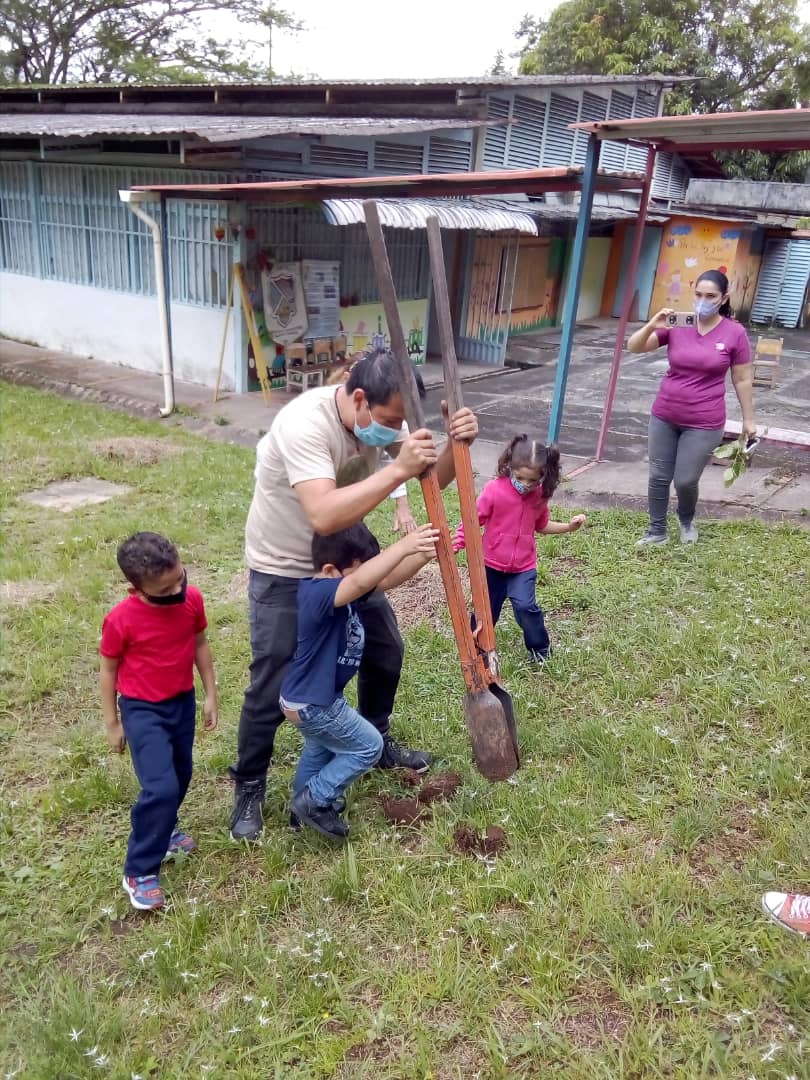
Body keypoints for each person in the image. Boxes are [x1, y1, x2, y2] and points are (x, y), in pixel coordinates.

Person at [231, 346, 479, 842]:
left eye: (400, 424)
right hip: (286, 569)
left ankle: (375, 736)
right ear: (359, 399)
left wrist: (455, 444)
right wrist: (395, 470)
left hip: (347, 564)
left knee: (385, 648)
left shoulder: (385, 419)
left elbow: (433, 480)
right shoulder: (306, 422)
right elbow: (322, 513)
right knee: (274, 678)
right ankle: (250, 786)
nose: (393, 432)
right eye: (389, 421)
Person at [281, 521, 439, 839]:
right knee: (368, 746)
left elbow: (378, 580)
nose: (366, 578)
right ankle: (316, 801)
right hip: (316, 703)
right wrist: (404, 545)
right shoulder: (317, 593)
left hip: (305, 698)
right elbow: (362, 581)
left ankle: (300, 811)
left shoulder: (336, 585)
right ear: (330, 570)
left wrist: (422, 554)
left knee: (319, 750)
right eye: (360, 571)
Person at [99, 532, 218, 911]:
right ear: (134, 588)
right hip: (142, 709)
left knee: (181, 775)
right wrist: (112, 722)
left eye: (179, 579)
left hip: (180, 702)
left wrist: (210, 693)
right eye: (164, 590)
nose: (176, 592)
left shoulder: (191, 599)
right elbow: (108, 667)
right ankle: (140, 869)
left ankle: (164, 831)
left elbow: (200, 643)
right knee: (161, 787)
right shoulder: (121, 619)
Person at [628, 269, 756, 547]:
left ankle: (686, 520)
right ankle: (657, 531)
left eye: (710, 296)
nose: (703, 301)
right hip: (664, 414)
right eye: (698, 295)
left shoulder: (735, 333)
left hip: (704, 421)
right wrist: (653, 324)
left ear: (724, 298)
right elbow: (635, 347)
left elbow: (743, 378)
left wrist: (749, 420)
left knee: (685, 480)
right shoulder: (677, 323)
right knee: (659, 476)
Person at [453, 436, 586, 663]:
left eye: (532, 480)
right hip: (491, 565)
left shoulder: (539, 496)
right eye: (520, 478)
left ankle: (540, 651)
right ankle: (477, 651)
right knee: (485, 612)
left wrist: (569, 527)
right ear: (510, 467)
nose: (525, 484)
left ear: (542, 476)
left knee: (526, 608)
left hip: (523, 567)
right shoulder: (494, 490)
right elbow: (473, 520)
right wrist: (457, 541)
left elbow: (541, 525)